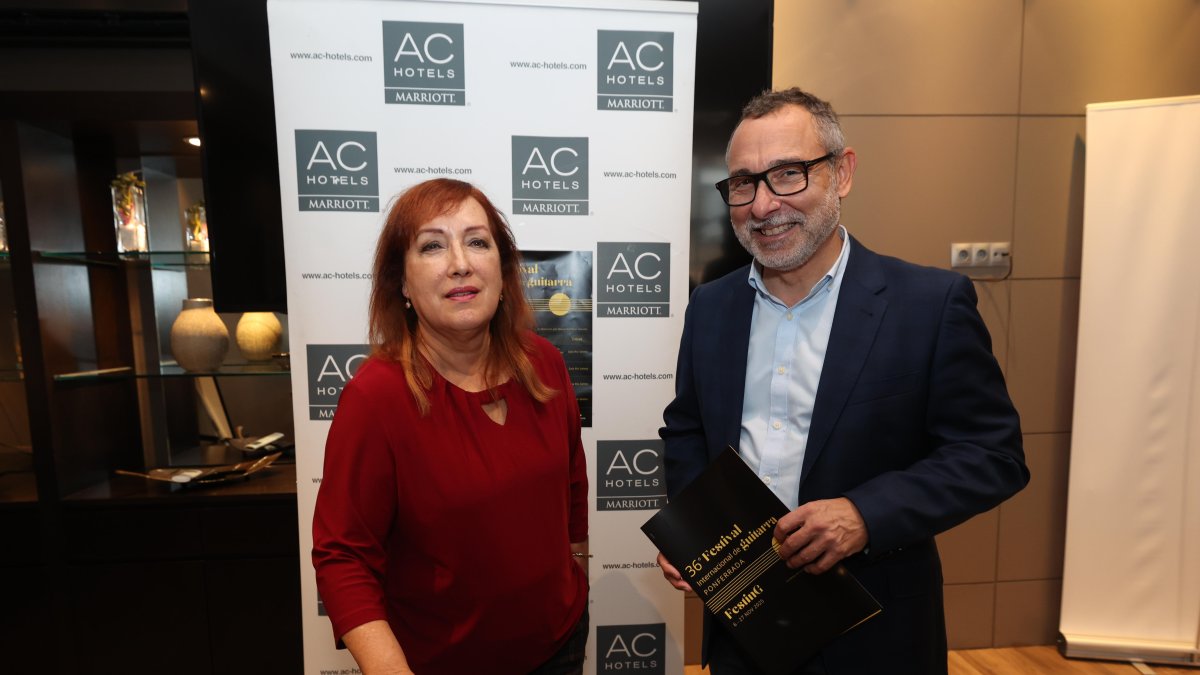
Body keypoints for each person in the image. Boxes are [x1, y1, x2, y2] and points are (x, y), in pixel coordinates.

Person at [656, 88, 1029, 675]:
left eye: (788, 174)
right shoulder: (710, 306)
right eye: (744, 183)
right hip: (744, 628)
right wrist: (695, 533)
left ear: (842, 173)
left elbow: (991, 454)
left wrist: (865, 514)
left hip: (876, 631)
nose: (763, 205)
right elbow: (687, 429)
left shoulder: (929, 305)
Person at [312, 178, 590, 674]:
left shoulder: (545, 364)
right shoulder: (375, 399)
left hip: (559, 647)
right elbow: (342, 559)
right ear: (401, 282)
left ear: (503, 273)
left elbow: (570, 488)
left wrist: (576, 577)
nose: (460, 262)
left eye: (478, 242)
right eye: (433, 246)